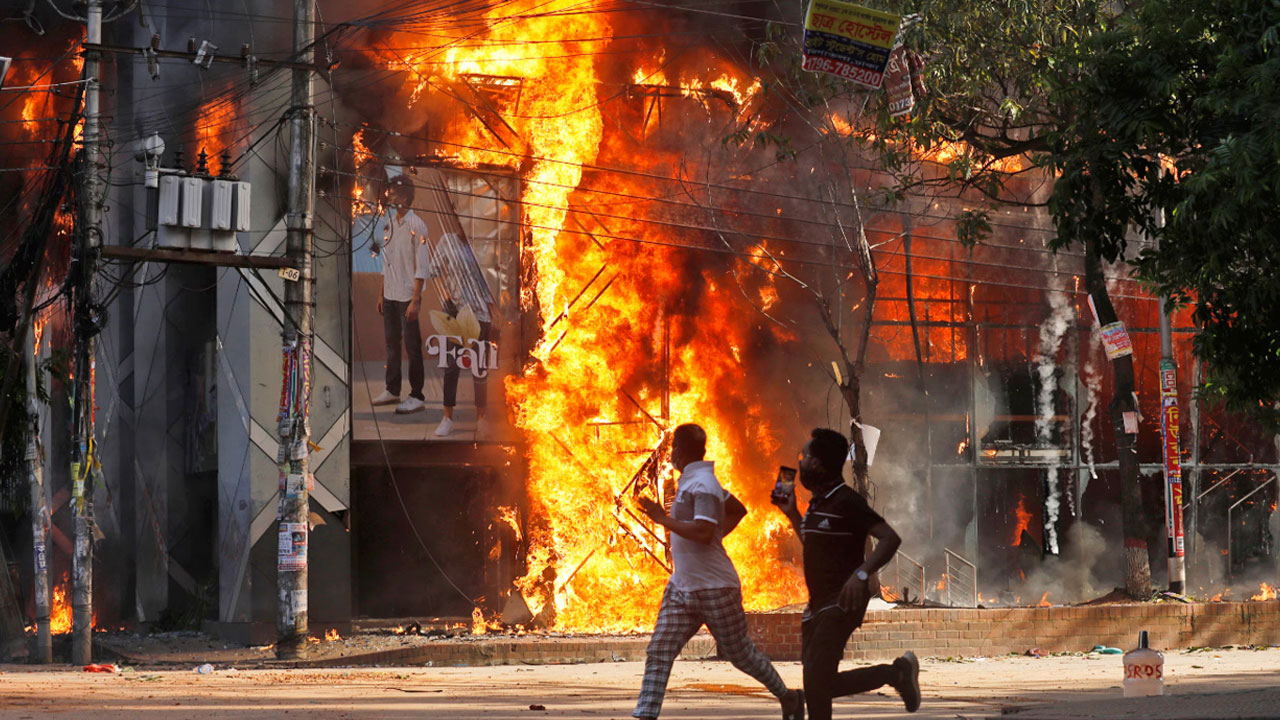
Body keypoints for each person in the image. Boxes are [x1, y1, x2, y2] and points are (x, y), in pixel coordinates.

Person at [634, 423, 804, 720]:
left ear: (680, 451)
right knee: (659, 652)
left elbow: (702, 531)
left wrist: (662, 518)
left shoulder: (703, 485)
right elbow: (737, 508)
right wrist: (716, 536)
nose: (670, 453)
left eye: (673, 447)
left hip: (715, 587)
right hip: (682, 587)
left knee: (741, 655)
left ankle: (789, 697)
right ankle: (645, 715)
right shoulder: (694, 480)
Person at [772, 428, 921, 720]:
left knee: (815, 682)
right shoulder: (817, 502)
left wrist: (862, 575)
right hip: (817, 606)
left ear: (818, 464)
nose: (799, 463)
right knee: (819, 685)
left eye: (804, 456)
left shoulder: (847, 501)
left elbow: (890, 538)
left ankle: (898, 673)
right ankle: (898, 673)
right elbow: (815, 546)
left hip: (842, 602)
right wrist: (792, 514)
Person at [407, 168, 497, 438]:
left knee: (479, 368)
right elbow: (433, 271)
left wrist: (495, 312)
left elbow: (492, 281)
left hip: (481, 316)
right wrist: (444, 298)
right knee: (452, 368)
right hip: (456, 315)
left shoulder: (481, 244)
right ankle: (448, 418)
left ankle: (482, 418)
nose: (463, 221)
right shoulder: (446, 241)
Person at [371, 174, 429, 415]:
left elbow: (422, 265)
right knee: (392, 345)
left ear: (405, 196)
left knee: (412, 347)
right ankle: (392, 389)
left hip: (407, 297)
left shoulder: (418, 225)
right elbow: (388, 262)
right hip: (391, 295)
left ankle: (417, 395)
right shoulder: (390, 224)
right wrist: (381, 293)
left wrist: (415, 300)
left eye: (393, 192)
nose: (389, 195)